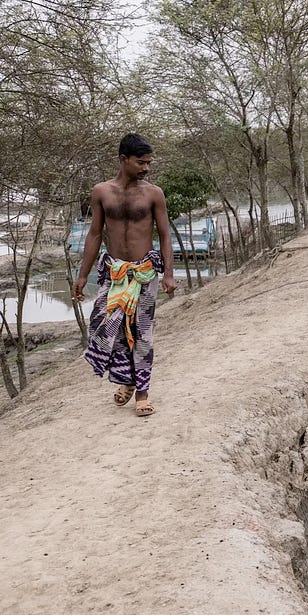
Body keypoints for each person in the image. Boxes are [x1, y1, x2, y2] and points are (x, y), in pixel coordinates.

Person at [72, 133, 176, 417]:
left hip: (144, 273)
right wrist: (82, 277)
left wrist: (168, 273)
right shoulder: (102, 192)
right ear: (123, 160)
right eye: (141, 162)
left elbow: (165, 235)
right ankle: (127, 381)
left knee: (142, 333)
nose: (146, 168)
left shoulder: (153, 193)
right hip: (114, 273)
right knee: (106, 328)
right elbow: (94, 235)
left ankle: (141, 394)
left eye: (148, 163)